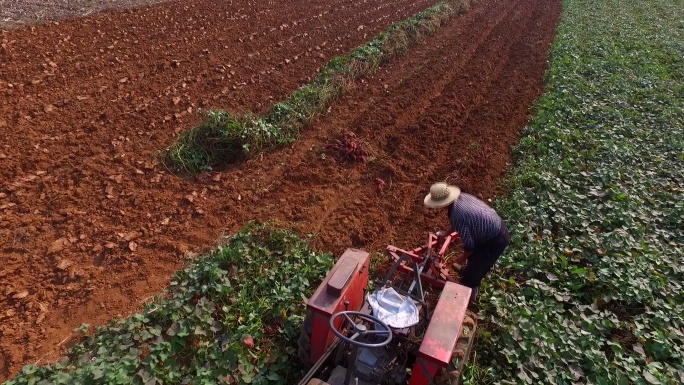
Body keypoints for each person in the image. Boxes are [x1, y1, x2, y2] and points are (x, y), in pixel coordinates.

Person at [423, 182, 509, 305]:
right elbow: (458, 224)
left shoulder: (457, 215)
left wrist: (461, 259)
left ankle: (469, 299)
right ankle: (472, 280)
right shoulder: (462, 198)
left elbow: (469, 246)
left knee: (472, 275)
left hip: (495, 240)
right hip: (496, 226)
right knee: (474, 260)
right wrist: (445, 234)